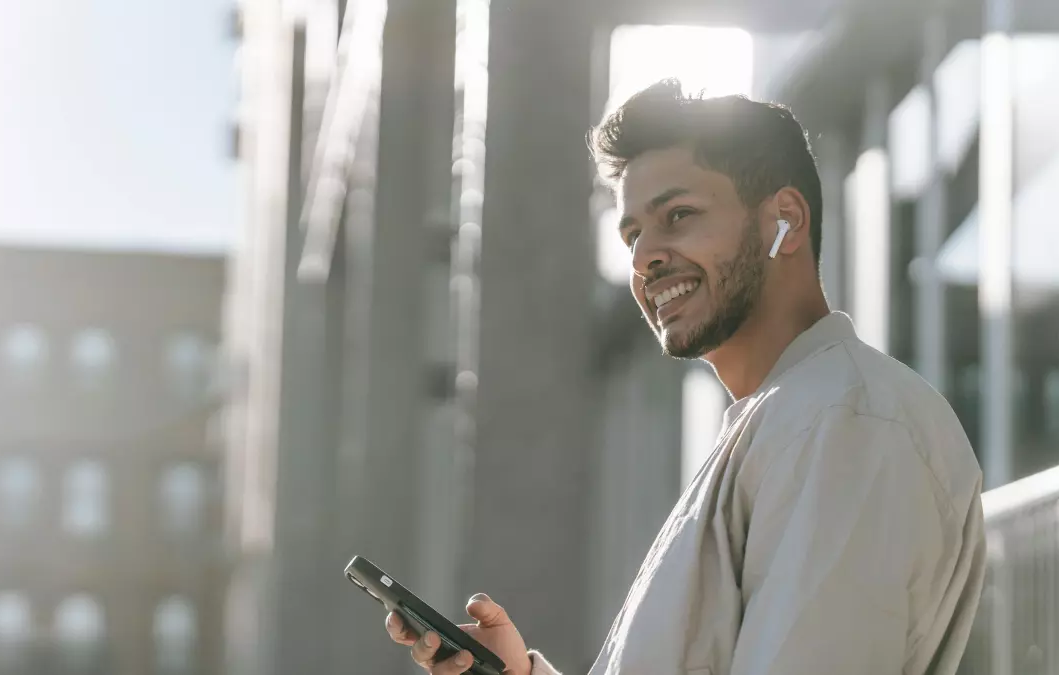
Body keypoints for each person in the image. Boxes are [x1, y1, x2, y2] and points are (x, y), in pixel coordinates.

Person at [384, 78, 987, 675]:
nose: (645, 256)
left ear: (787, 220)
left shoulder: (845, 423)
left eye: (678, 215)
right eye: (632, 234)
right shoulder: (788, 420)